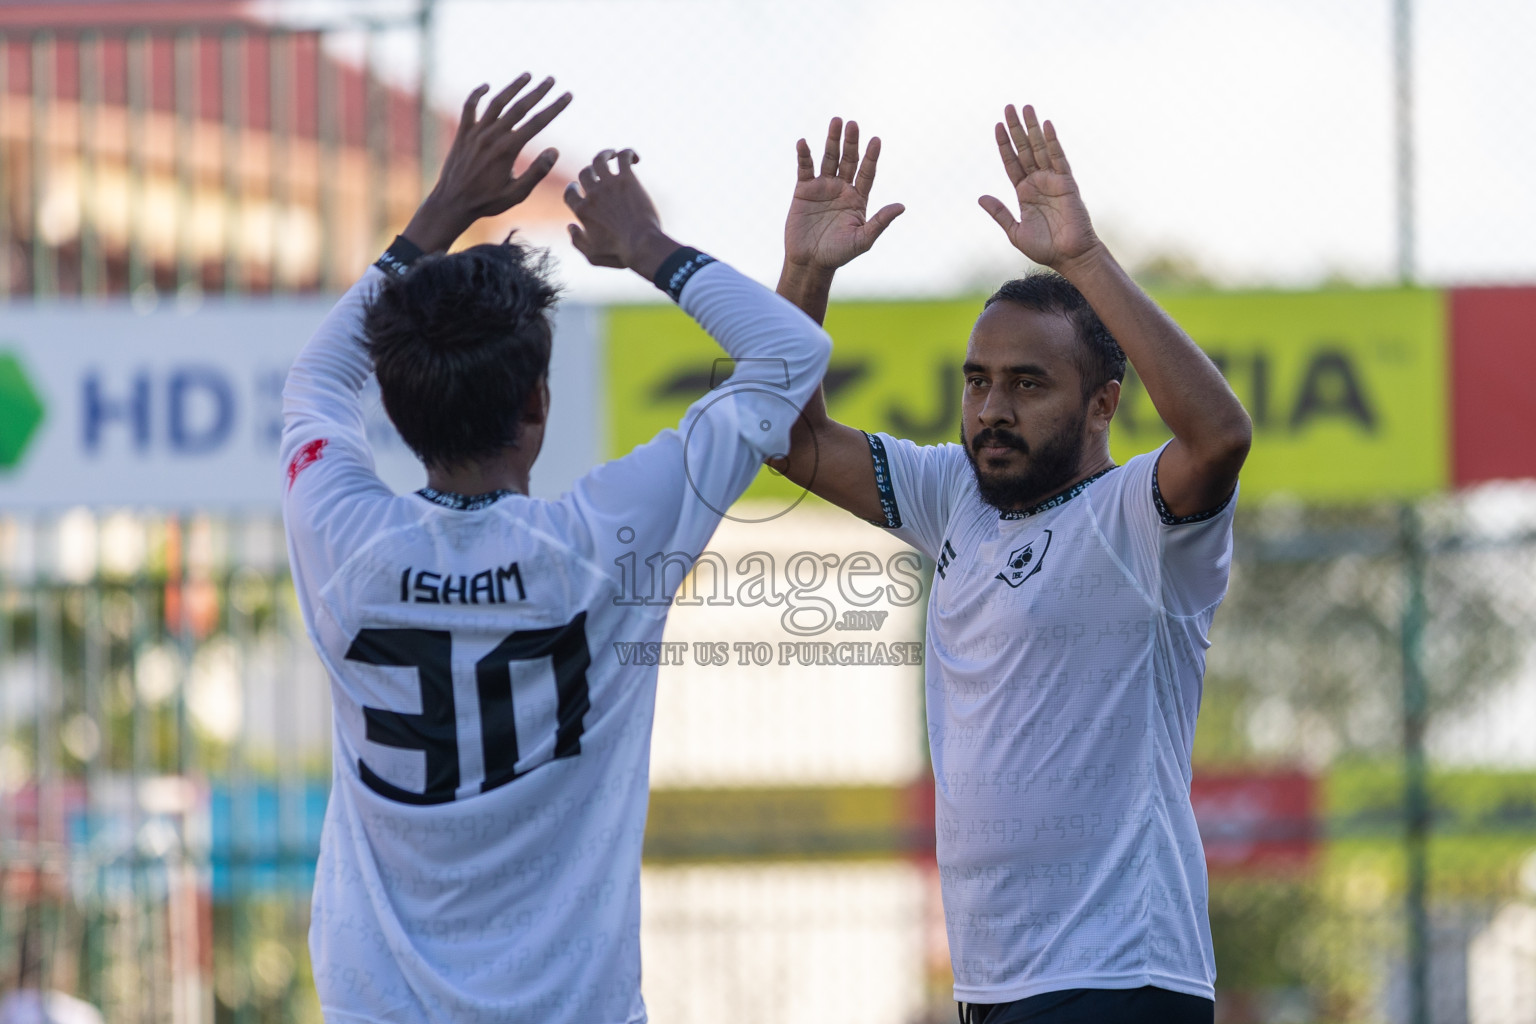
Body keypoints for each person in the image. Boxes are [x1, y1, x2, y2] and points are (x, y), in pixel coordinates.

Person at [281, 74, 832, 1023]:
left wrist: (443, 208)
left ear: (399, 410)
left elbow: (317, 377)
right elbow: (789, 358)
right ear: (538, 403)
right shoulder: (605, 539)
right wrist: (648, 249)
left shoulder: (341, 533)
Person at [771, 108, 1252, 1023]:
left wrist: (1083, 258)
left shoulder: (1142, 516)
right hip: (995, 986)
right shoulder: (951, 494)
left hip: (1120, 979)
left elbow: (1222, 433)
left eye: (1028, 384)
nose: (992, 407)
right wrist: (806, 271)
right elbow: (790, 440)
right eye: (978, 379)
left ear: (1104, 403)